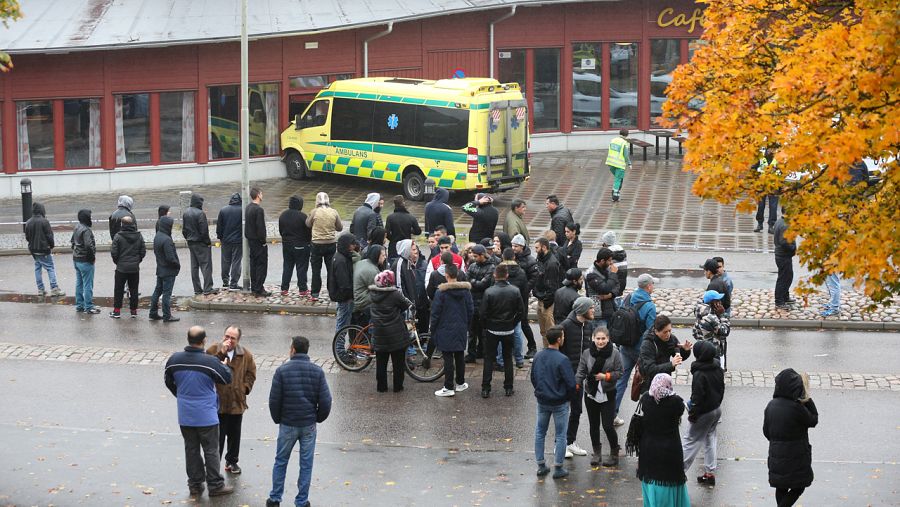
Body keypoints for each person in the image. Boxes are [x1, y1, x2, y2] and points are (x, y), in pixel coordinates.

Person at [164, 326, 234, 497]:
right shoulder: (210, 361)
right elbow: (227, 378)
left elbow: (168, 381)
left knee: (191, 450)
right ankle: (215, 485)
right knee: (211, 450)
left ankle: (195, 485)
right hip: (207, 415)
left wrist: (181, 395)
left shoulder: (174, 359)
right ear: (204, 341)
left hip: (185, 414)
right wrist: (224, 362)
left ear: (188, 339)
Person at [267, 336, 332, 507]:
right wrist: (317, 417)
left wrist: (277, 419)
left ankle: (275, 498)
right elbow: (325, 401)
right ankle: (302, 501)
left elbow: (274, 400)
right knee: (306, 464)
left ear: (293, 349)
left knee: (281, 461)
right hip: (308, 425)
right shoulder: (317, 372)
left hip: (287, 423)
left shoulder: (282, 371)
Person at [764, 368, 818, 507]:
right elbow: (813, 420)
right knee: (799, 486)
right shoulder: (797, 408)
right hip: (796, 456)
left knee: (781, 487)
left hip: (776, 454)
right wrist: (807, 399)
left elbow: (766, 431)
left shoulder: (771, 405)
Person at [206, 325, 256, 475]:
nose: (228, 340)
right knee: (217, 437)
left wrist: (244, 388)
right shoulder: (213, 350)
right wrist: (221, 354)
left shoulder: (245, 354)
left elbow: (251, 373)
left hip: (236, 401)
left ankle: (232, 461)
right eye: (226, 336)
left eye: (232, 338)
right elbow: (208, 367)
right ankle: (214, 465)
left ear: (238, 340)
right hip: (218, 401)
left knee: (234, 434)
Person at [636, 373, 690, 506]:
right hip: (669, 454)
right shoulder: (677, 403)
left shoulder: (645, 399)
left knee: (651, 489)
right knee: (668, 488)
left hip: (648, 452)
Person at [531, 326, 575, 479]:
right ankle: (558, 467)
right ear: (558, 340)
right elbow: (570, 383)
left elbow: (533, 377)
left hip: (542, 400)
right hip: (559, 402)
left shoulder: (538, 356)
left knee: (540, 432)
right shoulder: (562, 359)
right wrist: (568, 397)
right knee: (561, 435)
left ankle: (541, 465)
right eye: (563, 336)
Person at [575, 326, 623, 467]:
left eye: (603, 339)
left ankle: (614, 452)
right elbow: (581, 371)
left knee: (608, 426)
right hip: (591, 393)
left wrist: (606, 376)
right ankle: (597, 453)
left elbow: (620, 372)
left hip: (608, 394)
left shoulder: (615, 354)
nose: (601, 341)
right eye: (598, 339)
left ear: (608, 339)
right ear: (593, 339)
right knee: (594, 425)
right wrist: (577, 384)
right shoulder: (586, 353)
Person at [614, 273, 658, 425]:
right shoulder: (650, 306)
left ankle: (612, 413)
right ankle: (648, 415)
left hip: (625, 346)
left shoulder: (628, 298)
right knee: (646, 382)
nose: (653, 286)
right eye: (653, 284)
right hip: (641, 350)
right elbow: (650, 331)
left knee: (621, 381)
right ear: (648, 286)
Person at [682, 340, 724, 486]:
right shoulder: (718, 367)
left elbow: (697, 398)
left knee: (690, 441)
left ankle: (677, 473)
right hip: (716, 409)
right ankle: (709, 473)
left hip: (704, 412)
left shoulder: (699, 373)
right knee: (710, 439)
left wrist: (693, 414)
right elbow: (721, 389)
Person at [480, 263, 525, 398]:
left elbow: (483, 313)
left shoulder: (489, 292)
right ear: (507, 275)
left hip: (492, 329)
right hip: (508, 329)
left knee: (489, 359)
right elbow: (521, 311)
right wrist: (512, 322)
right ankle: (508, 387)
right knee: (507, 358)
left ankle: (486, 388)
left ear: (495, 275)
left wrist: (486, 325)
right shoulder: (515, 291)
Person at [431, 264, 474, 397]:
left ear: (446, 275)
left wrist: (433, 328)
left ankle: (448, 386)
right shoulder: (466, 291)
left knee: (448, 357)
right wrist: (466, 324)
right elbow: (470, 310)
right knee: (460, 355)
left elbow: (435, 313)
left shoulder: (441, 293)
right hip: (460, 327)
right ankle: (460, 383)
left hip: (445, 328)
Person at [559, 296, 594, 458]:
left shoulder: (588, 325)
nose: (594, 310)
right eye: (591, 308)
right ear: (582, 310)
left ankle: (570, 442)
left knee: (577, 410)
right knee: (563, 410)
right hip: (566, 377)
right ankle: (560, 445)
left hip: (580, 378)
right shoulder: (565, 326)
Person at [370, 270, 413, 393]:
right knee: (398, 363)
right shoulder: (395, 294)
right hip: (396, 334)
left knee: (381, 363)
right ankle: (398, 386)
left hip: (379, 334)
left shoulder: (373, 294)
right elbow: (406, 305)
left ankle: (381, 387)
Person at [638, 315, 693, 394]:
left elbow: (678, 356)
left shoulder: (671, 338)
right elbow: (650, 369)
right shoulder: (647, 344)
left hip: (665, 383)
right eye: (665, 332)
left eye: (670, 331)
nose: (668, 334)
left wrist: (685, 350)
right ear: (656, 331)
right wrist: (671, 364)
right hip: (649, 386)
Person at [306, 192, 343, 301]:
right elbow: (339, 228)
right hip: (330, 244)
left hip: (316, 244)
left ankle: (315, 293)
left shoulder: (314, 212)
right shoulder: (334, 212)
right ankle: (331, 292)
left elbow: (308, 224)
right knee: (330, 270)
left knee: (316, 270)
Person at [25, 202, 64, 297]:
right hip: (44, 249)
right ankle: (54, 288)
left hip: (34, 249)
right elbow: (49, 236)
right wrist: (51, 245)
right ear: (42, 210)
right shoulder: (44, 221)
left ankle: (40, 289)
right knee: (50, 268)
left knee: (38, 268)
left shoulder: (28, 222)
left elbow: (27, 237)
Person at [465, 244, 496, 362]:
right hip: (473, 302)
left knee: (484, 332)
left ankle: (483, 352)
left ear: (482, 255)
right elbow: (467, 280)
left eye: (476, 256)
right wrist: (475, 282)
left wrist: (472, 282)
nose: (473, 258)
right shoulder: (473, 265)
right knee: (472, 331)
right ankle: (471, 354)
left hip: (484, 304)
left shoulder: (491, 267)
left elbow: (484, 284)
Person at [109, 216, 145, 318]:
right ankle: (133, 311)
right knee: (134, 289)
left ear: (122, 225)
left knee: (118, 289)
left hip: (121, 268)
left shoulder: (118, 236)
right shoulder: (139, 236)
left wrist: (118, 262)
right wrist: (137, 261)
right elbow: (143, 251)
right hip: (134, 268)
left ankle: (117, 311)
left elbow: (114, 253)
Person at [278, 196, 312, 296]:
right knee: (301, 267)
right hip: (301, 245)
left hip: (287, 245)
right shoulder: (303, 216)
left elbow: (281, 231)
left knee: (287, 266)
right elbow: (308, 232)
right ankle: (302, 289)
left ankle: (284, 288)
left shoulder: (283, 215)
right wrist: (308, 242)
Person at [150, 216, 181, 322]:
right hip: (168, 271)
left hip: (160, 269)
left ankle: (153, 313)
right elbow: (170, 258)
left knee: (157, 291)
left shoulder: (157, 236)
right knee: (166, 294)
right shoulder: (167, 239)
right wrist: (177, 265)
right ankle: (167, 316)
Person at [183, 193, 215, 295]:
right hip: (201, 243)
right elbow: (204, 231)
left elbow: (184, 230)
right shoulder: (200, 214)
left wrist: (188, 239)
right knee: (206, 265)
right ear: (199, 203)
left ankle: (197, 289)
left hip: (191, 242)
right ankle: (208, 288)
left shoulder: (186, 212)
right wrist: (208, 243)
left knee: (194, 266)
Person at [533, 237, 561, 347]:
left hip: (547, 302)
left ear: (544, 247)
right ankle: (546, 350)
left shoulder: (552, 263)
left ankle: (552, 353)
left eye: (537, 248)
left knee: (550, 332)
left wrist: (546, 302)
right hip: (541, 298)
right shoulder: (541, 258)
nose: (535, 250)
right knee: (543, 331)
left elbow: (552, 286)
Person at [692, 290, 731, 369]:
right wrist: (722, 315)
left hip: (701, 349)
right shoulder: (711, 317)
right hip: (712, 351)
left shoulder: (701, 311)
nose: (720, 302)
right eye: (718, 301)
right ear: (712, 303)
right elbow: (725, 331)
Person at [71, 209, 99, 313]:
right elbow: (88, 245)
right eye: (90, 217)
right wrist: (92, 258)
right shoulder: (86, 230)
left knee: (79, 283)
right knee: (88, 284)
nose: (91, 218)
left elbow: (72, 242)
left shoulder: (77, 227)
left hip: (76, 259)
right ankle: (89, 307)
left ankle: (79, 305)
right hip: (85, 260)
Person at [328, 233, 357, 333]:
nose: (354, 246)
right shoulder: (341, 261)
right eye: (352, 244)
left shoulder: (340, 256)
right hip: (345, 298)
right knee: (343, 325)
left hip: (342, 296)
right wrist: (350, 295)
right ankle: (339, 348)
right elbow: (344, 283)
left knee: (342, 323)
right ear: (347, 245)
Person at [245, 187, 270, 296]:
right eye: (261, 193)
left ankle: (254, 286)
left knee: (253, 264)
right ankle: (259, 288)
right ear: (258, 195)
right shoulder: (259, 210)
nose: (262, 195)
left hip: (251, 240)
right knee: (261, 265)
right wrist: (263, 241)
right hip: (258, 242)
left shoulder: (248, 207)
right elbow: (260, 227)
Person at [585, 248, 619, 327]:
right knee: (601, 335)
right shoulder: (591, 274)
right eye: (609, 261)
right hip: (598, 312)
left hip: (610, 308)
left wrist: (610, 295)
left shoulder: (607, 268)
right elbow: (605, 288)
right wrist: (613, 274)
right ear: (602, 261)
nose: (611, 263)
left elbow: (617, 285)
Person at [353, 244, 385, 326]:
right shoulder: (371, 270)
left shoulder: (364, 262)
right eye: (383, 255)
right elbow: (378, 290)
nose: (385, 257)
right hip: (363, 302)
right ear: (376, 256)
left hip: (360, 297)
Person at [216, 192, 243, 290]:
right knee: (236, 261)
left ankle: (225, 281)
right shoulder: (242, 210)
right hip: (238, 241)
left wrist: (220, 237)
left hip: (225, 240)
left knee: (225, 261)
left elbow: (219, 226)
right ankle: (234, 283)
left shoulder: (223, 210)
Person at [384, 195, 421, 261]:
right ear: (403, 203)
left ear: (394, 204)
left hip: (394, 246)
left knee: (393, 264)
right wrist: (410, 231)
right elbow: (418, 231)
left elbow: (387, 233)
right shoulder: (410, 217)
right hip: (407, 246)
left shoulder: (390, 217)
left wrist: (392, 239)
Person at [773, 209, 797, 309]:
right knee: (784, 278)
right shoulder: (785, 225)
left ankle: (785, 297)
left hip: (781, 255)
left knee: (787, 276)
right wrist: (793, 248)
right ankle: (779, 301)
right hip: (784, 255)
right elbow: (784, 242)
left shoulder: (779, 221)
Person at [753, 147, 780, 233]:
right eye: (769, 149)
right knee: (761, 206)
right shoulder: (761, 160)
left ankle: (771, 225)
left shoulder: (778, 161)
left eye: (772, 149)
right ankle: (759, 224)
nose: (770, 151)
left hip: (774, 186)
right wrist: (755, 177)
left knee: (773, 207)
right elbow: (753, 168)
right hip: (762, 186)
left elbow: (784, 172)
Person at [605, 129, 632, 202]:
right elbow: (626, 155)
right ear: (627, 135)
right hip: (619, 164)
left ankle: (616, 193)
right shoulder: (624, 143)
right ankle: (615, 196)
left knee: (618, 178)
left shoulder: (613, 140)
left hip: (610, 163)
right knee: (618, 179)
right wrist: (629, 163)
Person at [601, 231, 628, 296]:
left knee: (612, 294)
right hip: (623, 278)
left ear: (605, 242)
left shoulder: (606, 252)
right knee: (619, 293)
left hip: (613, 277)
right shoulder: (621, 249)